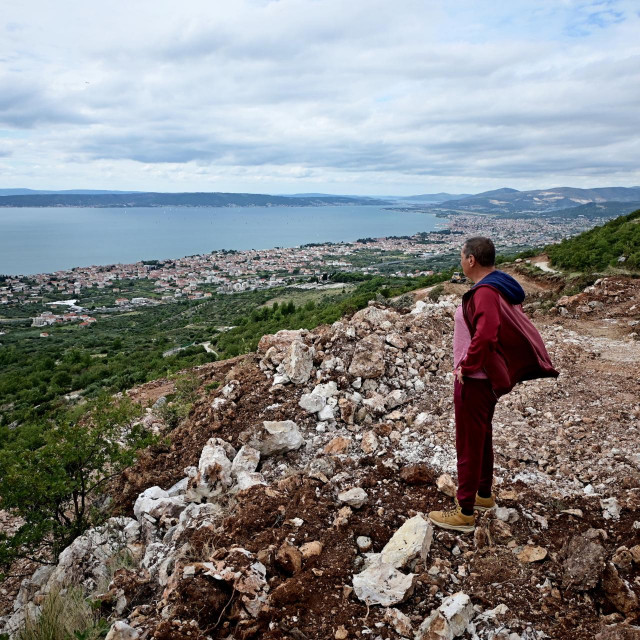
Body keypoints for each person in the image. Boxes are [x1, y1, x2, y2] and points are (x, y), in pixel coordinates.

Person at [428, 237, 559, 533]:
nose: (460, 261)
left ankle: (464, 512)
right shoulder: (498, 285)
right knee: (481, 436)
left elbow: (486, 333)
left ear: (471, 259)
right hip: (485, 380)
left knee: (468, 443)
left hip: (475, 380)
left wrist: (467, 366)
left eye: (462, 256)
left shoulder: (485, 291)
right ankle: (483, 495)